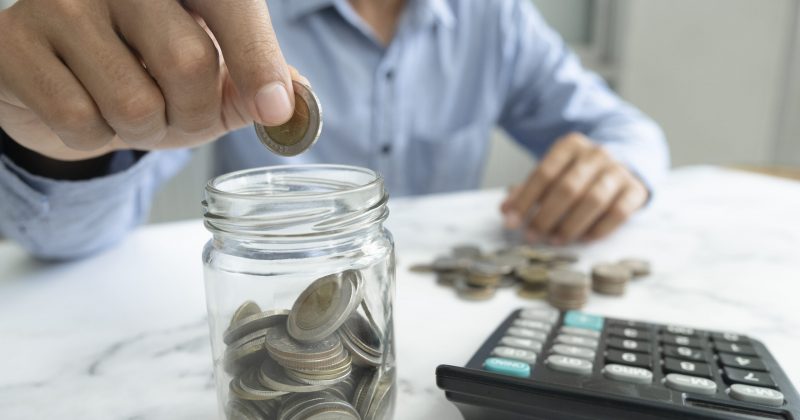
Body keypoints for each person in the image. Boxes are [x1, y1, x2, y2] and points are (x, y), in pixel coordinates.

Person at [0, 0, 669, 260]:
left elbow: (625, 128)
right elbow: (71, 239)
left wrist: (623, 166)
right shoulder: (216, 18)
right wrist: (62, 152)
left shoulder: (494, 18)